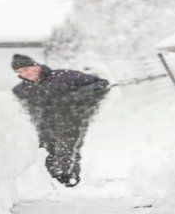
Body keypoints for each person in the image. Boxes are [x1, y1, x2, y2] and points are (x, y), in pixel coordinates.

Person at [11, 54, 109, 187]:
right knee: (46, 154)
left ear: (36, 66)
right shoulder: (21, 90)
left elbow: (102, 84)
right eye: (20, 72)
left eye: (27, 69)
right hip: (43, 127)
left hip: (71, 121)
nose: (25, 73)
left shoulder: (64, 76)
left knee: (65, 152)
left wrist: (77, 96)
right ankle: (58, 184)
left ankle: (66, 181)